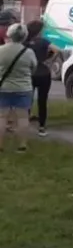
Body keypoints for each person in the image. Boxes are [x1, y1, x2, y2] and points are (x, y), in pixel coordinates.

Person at [0, 24, 38, 152]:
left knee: (2, 117)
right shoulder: (28, 52)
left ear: (9, 34)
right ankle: (22, 145)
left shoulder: (1, 50)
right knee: (22, 117)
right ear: (24, 36)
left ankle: (0, 145)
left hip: (3, 87)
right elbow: (34, 68)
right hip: (23, 88)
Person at [25, 20, 59, 136]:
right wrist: (49, 60)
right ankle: (42, 127)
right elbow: (57, 50)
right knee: (42, 100)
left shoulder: (26, 42)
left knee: (28, 99)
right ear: (39, 30)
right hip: (44, 74)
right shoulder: (43, 41)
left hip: (30, 74)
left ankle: (25, 124)